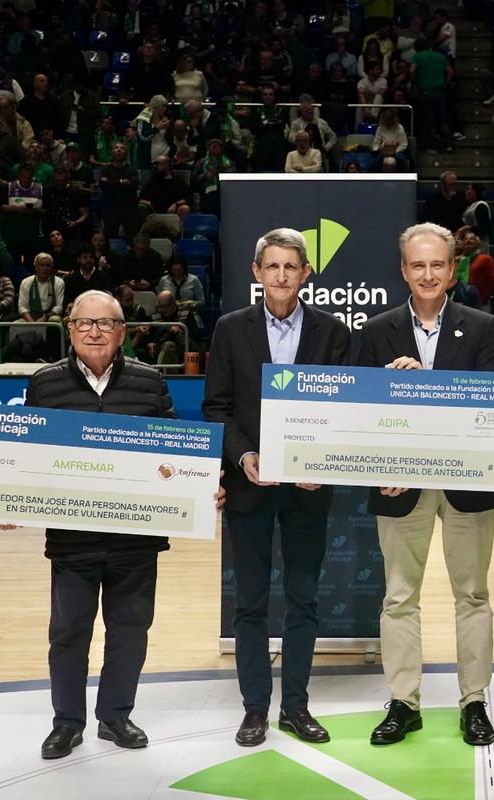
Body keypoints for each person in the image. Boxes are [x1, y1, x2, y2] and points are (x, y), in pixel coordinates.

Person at [9, 290, 176, 759]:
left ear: (123, 331)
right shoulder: (44, 384)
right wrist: (4, 501)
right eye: (85, 323)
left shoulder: (150, 381)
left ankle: (116, 716)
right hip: (72, 540)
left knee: (129, 630)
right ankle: (67, 722)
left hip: (136, 538)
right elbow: (27, 457)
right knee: (67, 634)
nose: (95, 332)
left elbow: (175, 452)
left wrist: (199, 483)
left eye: (106, 324)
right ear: (70, 329)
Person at [355, 223, 494, 748]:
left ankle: (474, 701)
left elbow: (490, 405)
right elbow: (359, 413)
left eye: (437, 264)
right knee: (399, 598)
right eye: (418, 265)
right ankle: (403, 702)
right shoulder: (375, 332)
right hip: (399, 485)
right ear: (403, 270)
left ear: (453, 269)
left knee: (473, 595)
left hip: (467, 482)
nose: (428, 273)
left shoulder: (481, 326)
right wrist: (380, 466)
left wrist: (423, 385)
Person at [203, 228, 350, 747]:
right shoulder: (229, 328)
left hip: (308, 488)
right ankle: (254, 709)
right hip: (250, 488)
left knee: (304, 600)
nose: (282, 275)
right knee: (249, 604)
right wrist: (244, 455)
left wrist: (322, 461)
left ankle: (296, 706)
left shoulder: (333, 332)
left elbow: (343, 409)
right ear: (256, 272)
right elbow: (217, 407)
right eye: (273, 266)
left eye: (292, 266)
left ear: (305, 274)